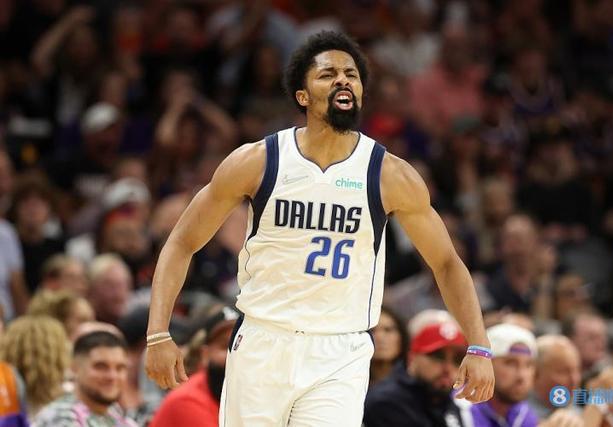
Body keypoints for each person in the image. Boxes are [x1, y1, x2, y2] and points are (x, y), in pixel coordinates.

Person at [145, 31, 494, 426]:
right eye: (328, 74)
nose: (343, 80)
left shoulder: (390, 175)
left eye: (351, 75)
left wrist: (479, 345)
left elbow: (446, 262)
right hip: (263, 342)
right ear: (303, 96)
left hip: (340, 351)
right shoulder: (258, 161)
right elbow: (181, 242)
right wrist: (158, 333)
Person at [364, 321, 471, 427]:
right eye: (438, 357)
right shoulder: (386, 402)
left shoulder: (446, 402)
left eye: (457, 360)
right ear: (412, 357)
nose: (448, 368)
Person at [149, 306, 239, 427]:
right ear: (205, 354)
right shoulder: (187, 400)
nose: (234, 354)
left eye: (239, 346)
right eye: (225, 346)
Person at [32, 331, 137, 427]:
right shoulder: (61, 418)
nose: (112, 376)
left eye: (120, 368)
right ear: (74, 368)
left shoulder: (115, 413)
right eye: (101, 366)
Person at [471, 323, 539, 427]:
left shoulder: (525, 414)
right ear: (485, 364)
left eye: (528, 365)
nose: (521, 376)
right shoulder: (460, 409)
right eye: (511, 363)